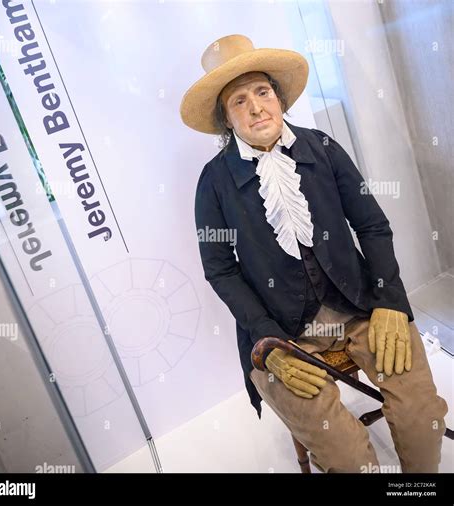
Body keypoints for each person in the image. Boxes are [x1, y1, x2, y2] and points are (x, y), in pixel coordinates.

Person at [180, 34, 448, 473]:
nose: (256, 108)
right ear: (227, 120)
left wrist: (391, 303)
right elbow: (221, 271)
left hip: (362, 307)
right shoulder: (213, 182)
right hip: (279, 330)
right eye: (239, 101)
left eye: (262, 92)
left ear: (279, 98)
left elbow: (372, 225)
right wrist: (268, 344)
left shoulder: (322, 147)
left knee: (423, 417)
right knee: (343, 452)